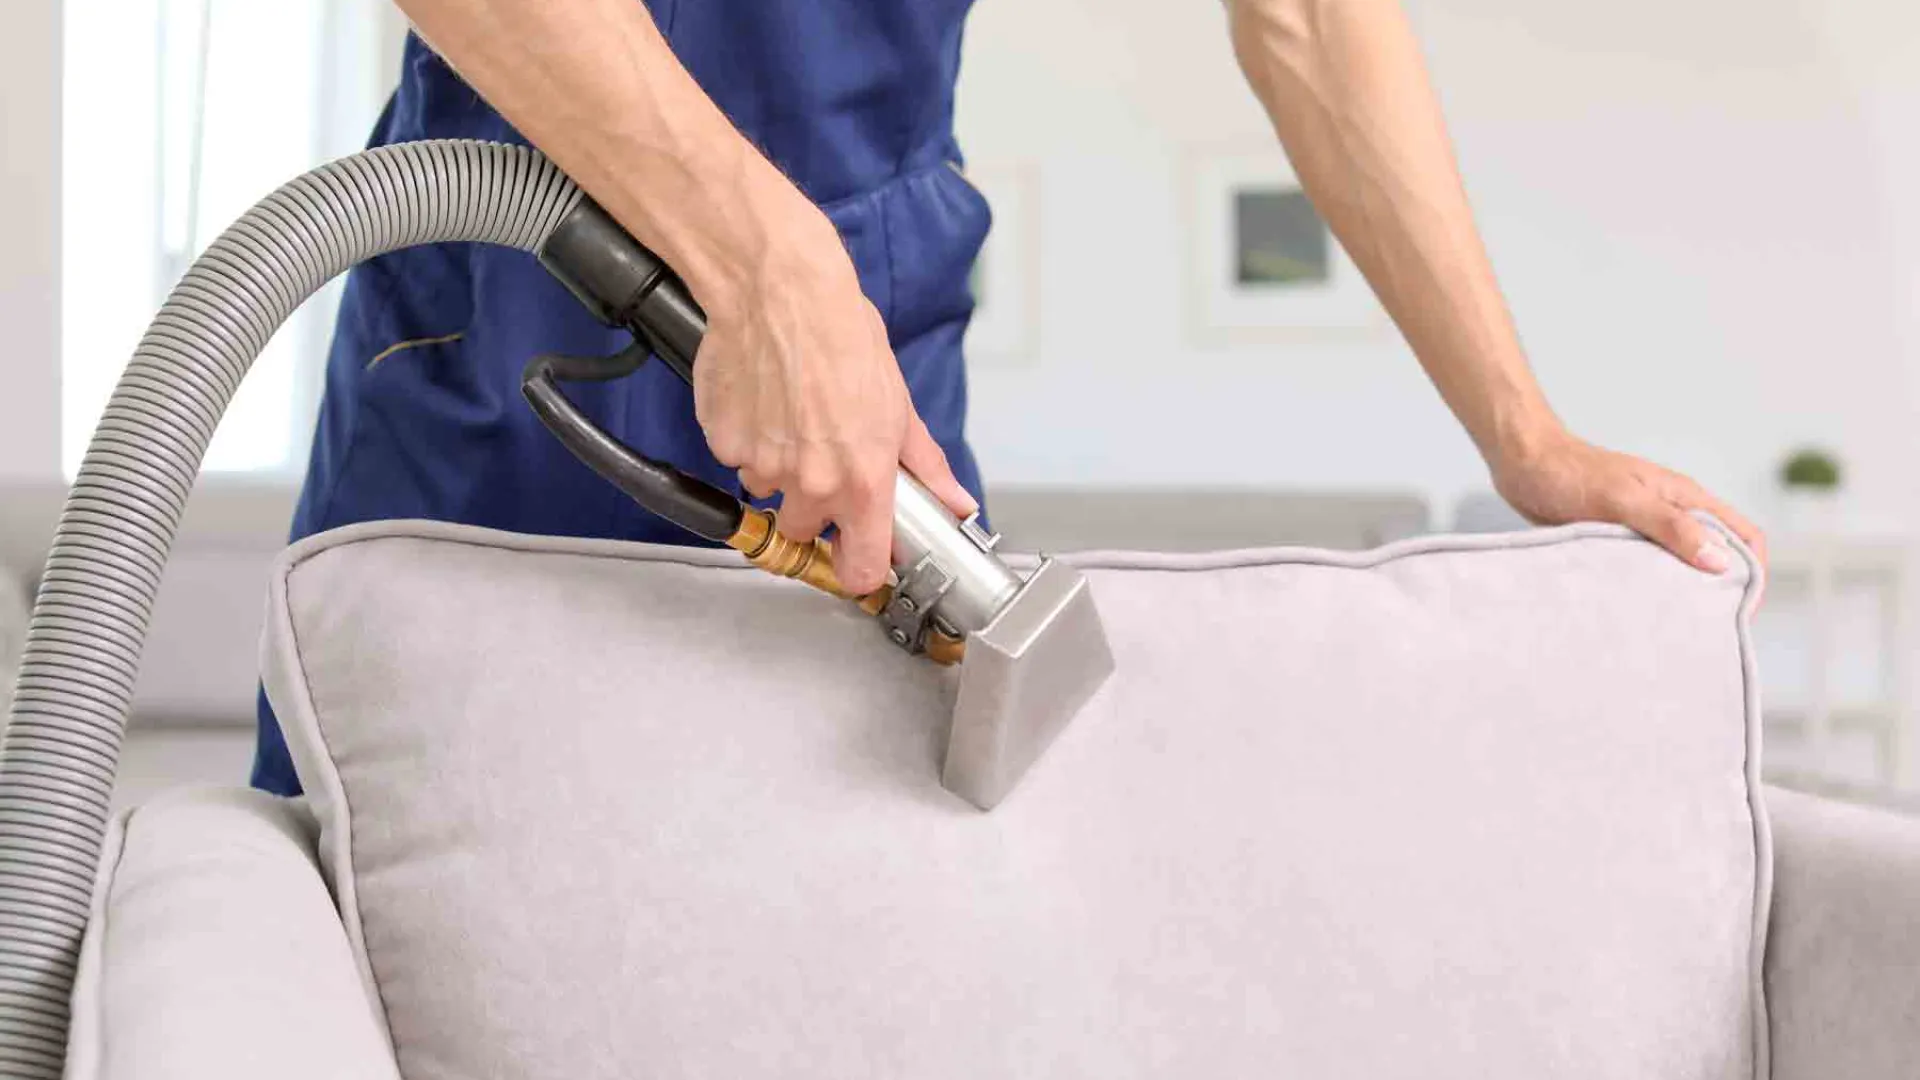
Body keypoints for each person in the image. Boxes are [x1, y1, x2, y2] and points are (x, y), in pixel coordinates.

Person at [250, 0, 1768, 795]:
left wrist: (1523, 433)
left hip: (877, 334)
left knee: (864, 933)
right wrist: (761, 256)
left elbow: (1309, 11)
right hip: (516, 293)